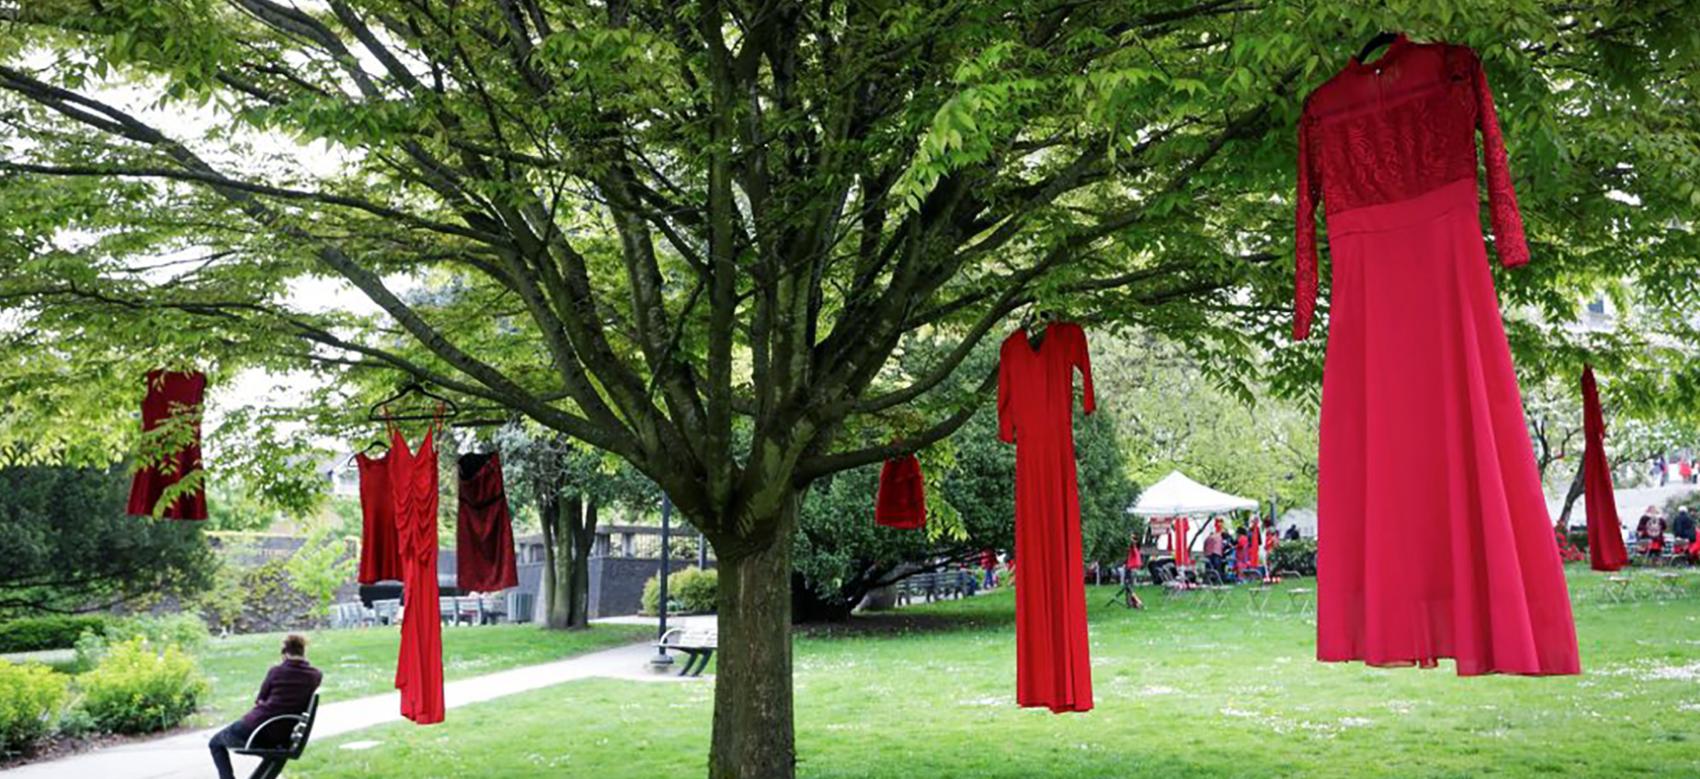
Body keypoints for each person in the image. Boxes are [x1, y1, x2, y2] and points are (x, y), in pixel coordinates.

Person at [210, 634, 323, 779]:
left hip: (257, 729)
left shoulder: (276, 671)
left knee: (215, 743)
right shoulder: (315, 675)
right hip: (281, 737)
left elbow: (260, 700)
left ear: (284, 654)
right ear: (303, 652)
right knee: (274, 757)